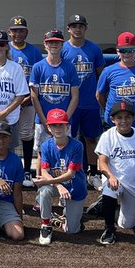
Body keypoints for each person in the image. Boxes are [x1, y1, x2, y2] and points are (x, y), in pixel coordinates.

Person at [94, 101, 135, 245]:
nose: (123, 121)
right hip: (115, 181)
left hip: (134, 185)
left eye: (127, 117)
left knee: (127, 225)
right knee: (110, 188)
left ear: (133, 118)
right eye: (119, 117)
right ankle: (109, 228)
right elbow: (102, 163)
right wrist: (111, 176)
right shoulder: (107, 136)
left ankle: (105, 207)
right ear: (112, 119)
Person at [62, 14, 106, 181]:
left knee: (90, 138)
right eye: (74, 26)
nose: (77, 29)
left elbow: (101, 75)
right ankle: (70, 172)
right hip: (70, 104)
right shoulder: (63, 49)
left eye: (80, 26)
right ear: (69, 29)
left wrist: (100, 97)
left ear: (85, 28)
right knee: (68, 138)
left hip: (90, 103)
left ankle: (93, 173)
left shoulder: (94, 49)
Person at [29, 29, 80, 168]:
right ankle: (41, 184)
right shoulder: (38, 67)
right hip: (43, 120)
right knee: (41, 153)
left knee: (65, 152)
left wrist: (65, 119)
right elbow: (34, 96)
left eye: (57, 42)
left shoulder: (69, 67)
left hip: (64, 120)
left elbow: (75, 96)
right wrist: (45, 121)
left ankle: (65, 181)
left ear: (62, 45)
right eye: (50, 42)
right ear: (45, 45)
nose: (53, 45)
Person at [35, 108, 87, 243]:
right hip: (56, 186)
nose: (57, 128)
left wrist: (49, 181)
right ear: (49, 128)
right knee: (44, 191)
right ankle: (46, 224)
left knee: (72, 230)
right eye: (54, 125)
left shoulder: (77, 146)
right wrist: (58, 185)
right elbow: (45, 171)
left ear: (67, 126)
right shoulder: (46, 146)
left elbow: (71, 174)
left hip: (75, 187)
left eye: (61, 125)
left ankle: (61, 220)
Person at [7, 16, 45, 181]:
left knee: (26, 134)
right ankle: (10, 168)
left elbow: (38, 79)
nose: (18, 33)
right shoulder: (5, 48)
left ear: (27, 32)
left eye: (21, 30)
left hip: (28, 101)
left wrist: (27, 99)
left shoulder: (34, 51)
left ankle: (27, 169)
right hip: (8, 101)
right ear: (9, 32)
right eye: (15, 31)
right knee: (7, 135)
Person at [96, 32, 135, 132]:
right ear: (118, 52)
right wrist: (111, 110)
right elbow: (99, 95)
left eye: (130, 50)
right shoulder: (108, 71)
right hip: (114, 123)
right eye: (123, 50)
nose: (127, 54)